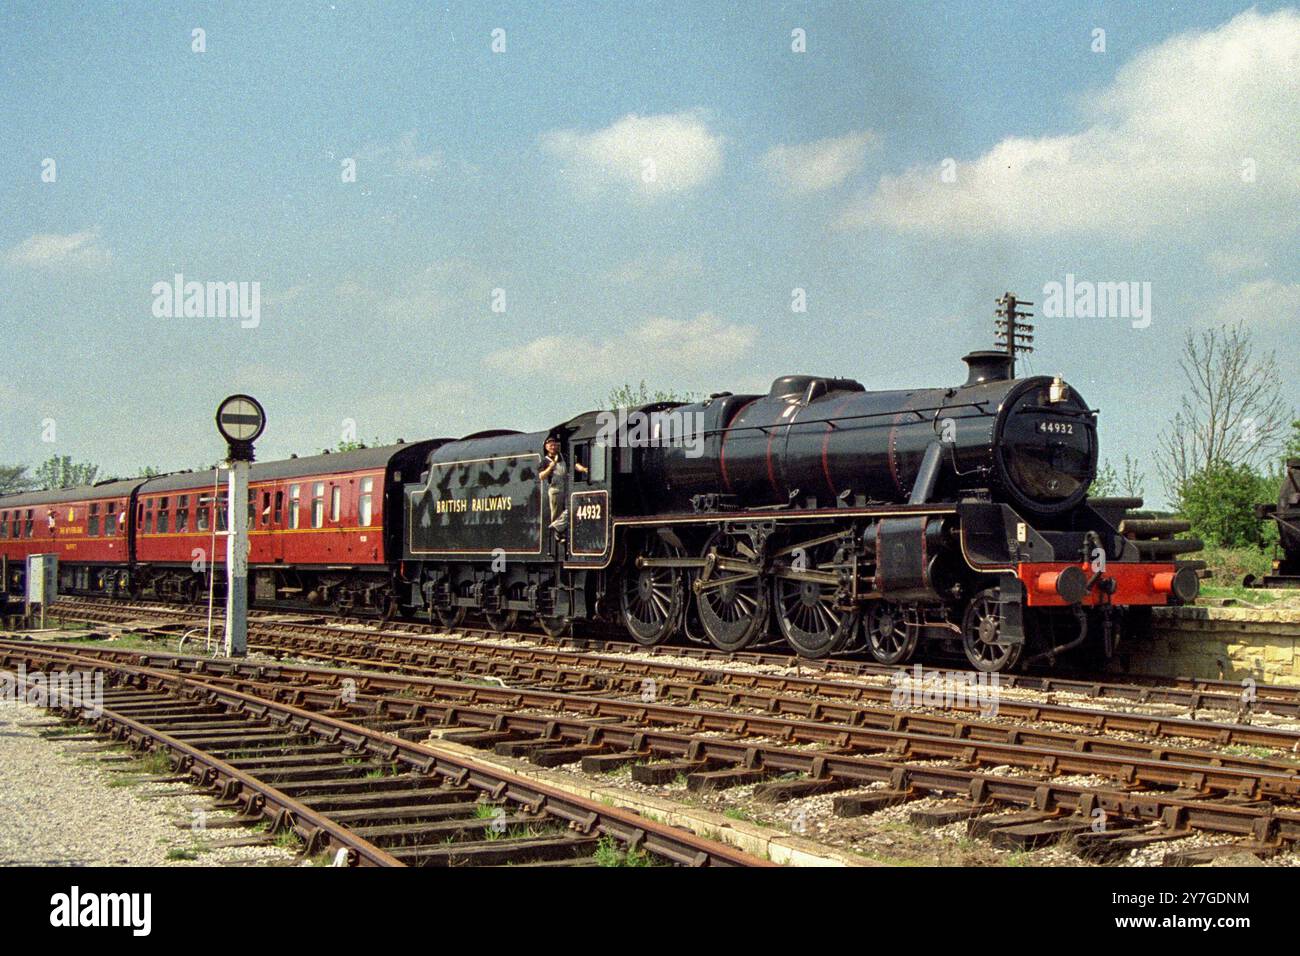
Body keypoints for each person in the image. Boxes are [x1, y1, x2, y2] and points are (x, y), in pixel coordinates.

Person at [538, 435, 586, 537]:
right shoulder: (545, 461)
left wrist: (584, 469)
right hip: (555, 489)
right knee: (556, 512)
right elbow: (541, 476)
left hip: (567, 487)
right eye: (550, 445)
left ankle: (556, 527)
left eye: (554, 444)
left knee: (573, 507)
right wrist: (551, 466)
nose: (553, 447)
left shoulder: (564, 456)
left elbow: (574, 464)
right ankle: (557, 534)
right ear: (546, 447)